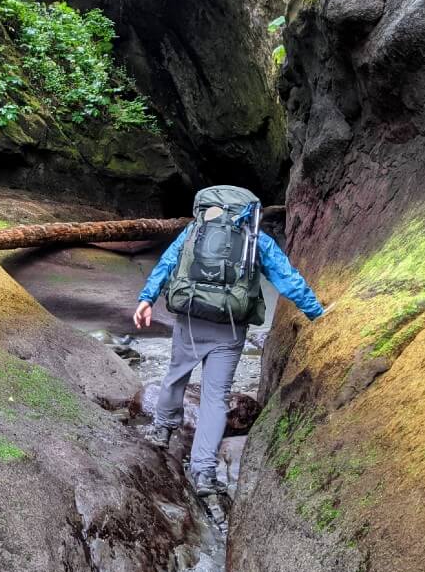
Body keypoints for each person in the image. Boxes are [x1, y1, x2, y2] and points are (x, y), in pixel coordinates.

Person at [133, 191, 325, 496]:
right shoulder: (254, 240)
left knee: (176, 375)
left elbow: (168, 263)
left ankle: (162, 429)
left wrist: (146, 299)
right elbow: (287, 279)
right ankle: (204, 473)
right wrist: (317, 313)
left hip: (190, 322)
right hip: (230, 329)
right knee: (214, 399)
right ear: (248, 212)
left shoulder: (194, 231)